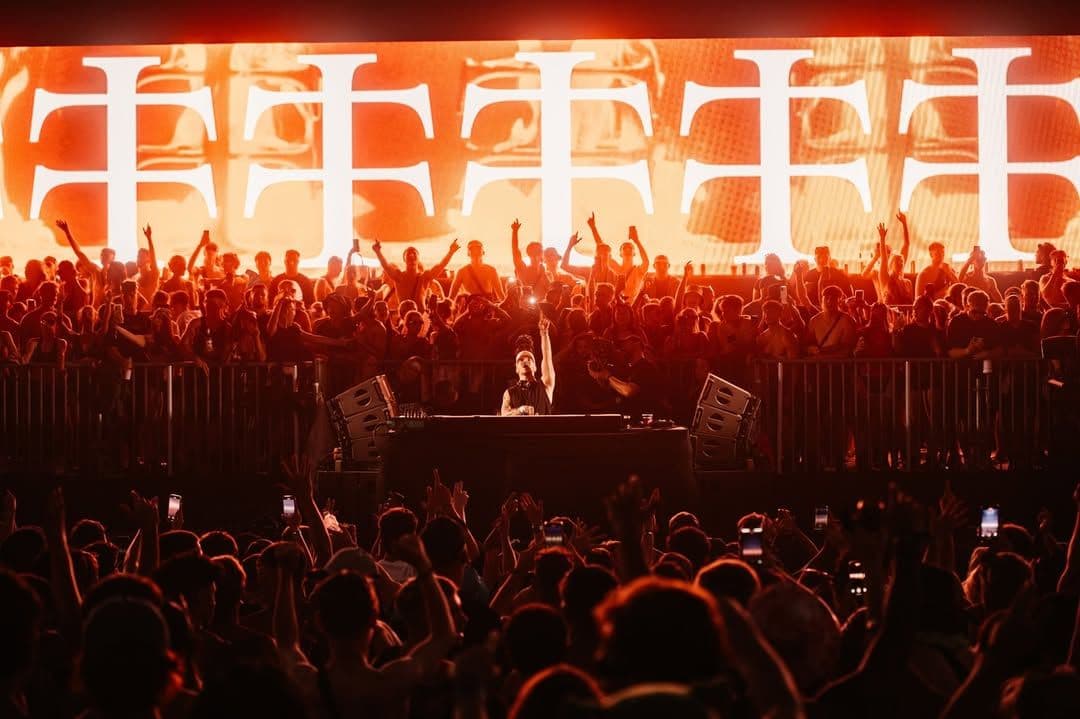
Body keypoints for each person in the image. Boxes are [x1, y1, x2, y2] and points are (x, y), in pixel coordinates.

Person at [372, 238, 460, 309]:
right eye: (408, 254)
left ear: (418, 259)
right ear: (404, 259)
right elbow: (386, 266)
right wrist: (378, 252)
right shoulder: (399, 276)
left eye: (414, 253)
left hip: (421, 320)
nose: (411, 255)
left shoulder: (424, 277)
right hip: (405, 319)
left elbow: (440, 265)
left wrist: (451, 252)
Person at [501, 315, 555, 416]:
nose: (525, 360)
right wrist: (520, 411)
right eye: (520, 360)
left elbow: (547, 357)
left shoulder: (546, 385)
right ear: (516, 369)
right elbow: (504, 414)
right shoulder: (509, 393)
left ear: (535, 367)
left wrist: (544, 334)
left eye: (529, 359)